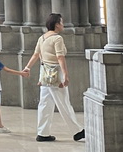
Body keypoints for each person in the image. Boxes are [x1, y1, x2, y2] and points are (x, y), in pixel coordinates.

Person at [22, 13, 85, 142]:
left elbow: (36, 54)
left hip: (44, 73)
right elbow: (60, 57)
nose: (63, 25)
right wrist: (65, 75)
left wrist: (27, 67)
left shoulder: (42, 38)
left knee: (45, 103)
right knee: (63, 102)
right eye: (61, 22)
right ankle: (77, 131)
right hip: (55, 73)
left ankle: (43, 133)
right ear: (57, 24)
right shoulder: (57, 39)